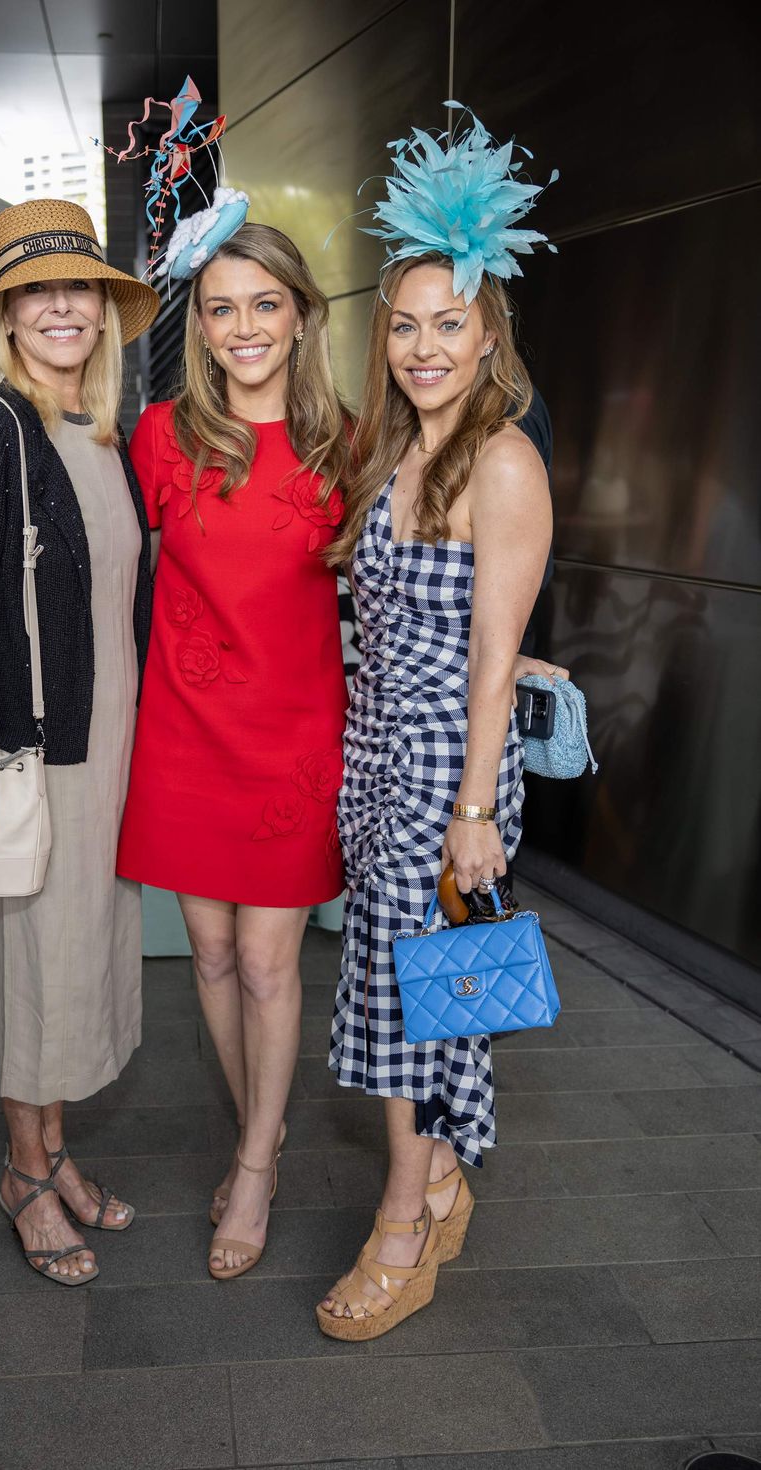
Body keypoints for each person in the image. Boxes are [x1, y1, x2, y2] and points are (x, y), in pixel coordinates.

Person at [319, 114, 557, 1338]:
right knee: (418, 984)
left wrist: (472, 813)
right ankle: (446, 1175)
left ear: (487, 334)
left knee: (408, 1006)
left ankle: (401, 1228)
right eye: (404, 326)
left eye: (447, 324)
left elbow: (491, 661)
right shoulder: (394, 457)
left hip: (442, 774)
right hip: (378, 761)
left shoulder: (499, 462)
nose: (422, 348)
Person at [0, 200, 159, 1285]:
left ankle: (54, 1152)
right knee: (32, 969)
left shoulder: (103, 437)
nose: (61, 307)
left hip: (108, 748)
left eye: (79, 289)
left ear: (102, 310)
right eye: (36, 291)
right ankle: (24, 1171)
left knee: (78, 959)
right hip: (33, 755)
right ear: (8, 316)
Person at [116, 218, 350, 1279]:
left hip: (294, 738)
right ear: (201, 329)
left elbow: (409, 573)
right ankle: (263, 1119)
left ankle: (254, 1164)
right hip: (183, 734)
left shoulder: (350, 441)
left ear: (300, 316)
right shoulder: (163, 436)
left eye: (265, 304)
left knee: (265, 960)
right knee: (209, 955)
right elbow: (107, 572)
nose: (244, 326)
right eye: (221, 308)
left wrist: (508, 645)